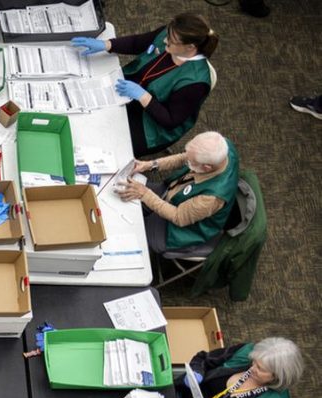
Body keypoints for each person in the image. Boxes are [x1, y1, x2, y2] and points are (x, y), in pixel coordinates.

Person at [72, 13, 218, 157]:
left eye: (172, 41)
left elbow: (170, 121)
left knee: (102, 143)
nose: (166, 40)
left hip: (151, 125)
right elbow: (138, 42)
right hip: (131, 90)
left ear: (190, 47)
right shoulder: (172, 35)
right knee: (82, 110)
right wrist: (107, 44)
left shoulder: (196, 83)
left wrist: (143, 96)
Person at [117, 131, 239, 254]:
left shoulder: (211, 198)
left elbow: (178, 217)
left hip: (179, 229)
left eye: (191, 162)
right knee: (128, 195)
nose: (187, 161)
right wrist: (150, 165)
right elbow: (183, 158)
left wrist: (145, 194)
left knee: (134, 234)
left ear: (207, 168)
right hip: (174, 193)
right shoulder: (222, 147)